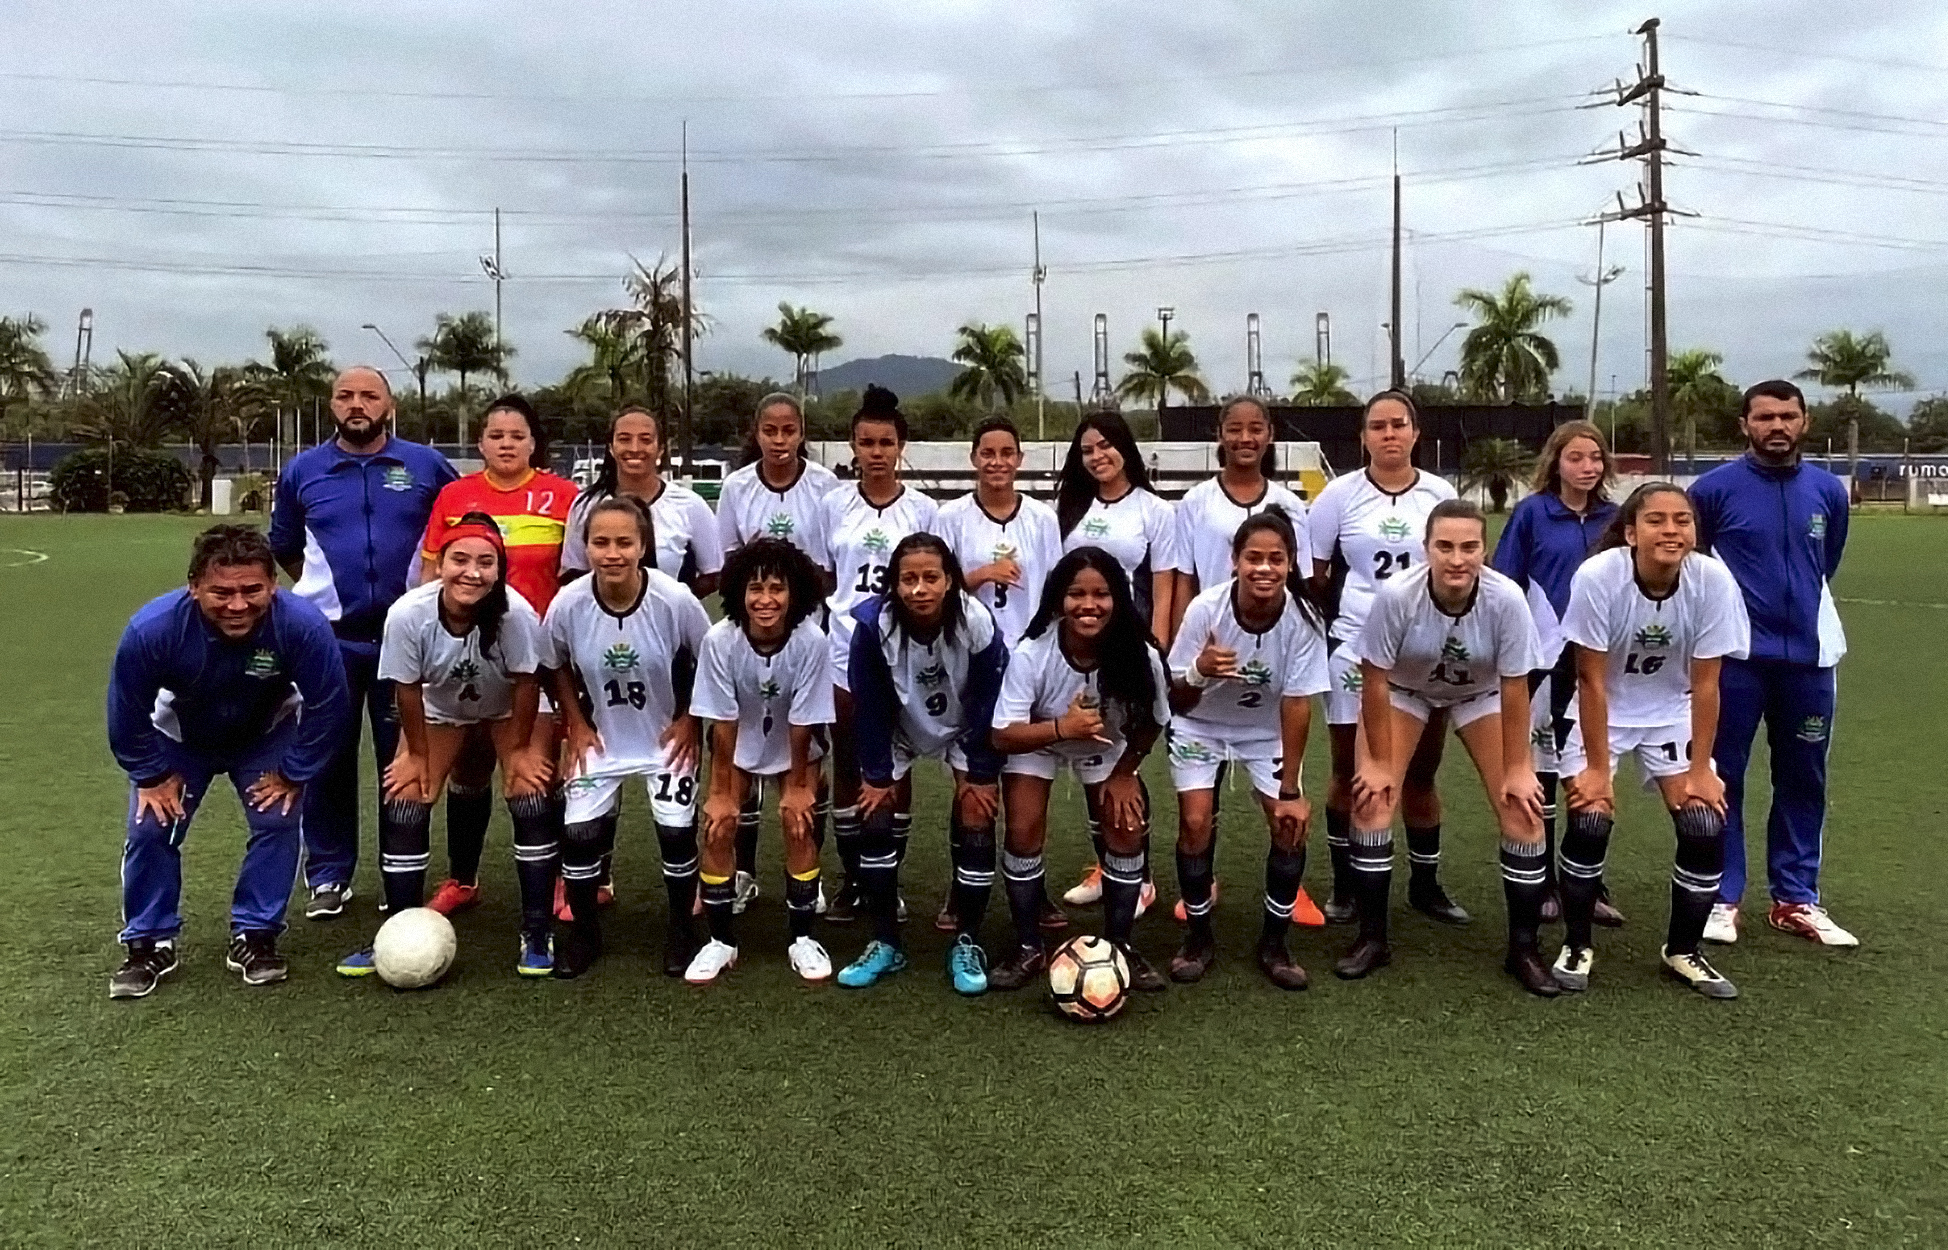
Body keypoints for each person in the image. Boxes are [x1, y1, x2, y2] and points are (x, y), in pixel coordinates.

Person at [106, 526, 350, 998]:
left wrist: (293, 771)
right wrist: (152, 776)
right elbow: (125, 712)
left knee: (277, 818)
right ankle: (149, 941)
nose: (238, 605)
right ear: (194, 586)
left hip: (263, 736)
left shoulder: (302, 625)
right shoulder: (152, 629)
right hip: (180, 738)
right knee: (151, 827)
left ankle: (254, 934)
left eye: (251, 590)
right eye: (221, 592)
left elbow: (329, 705)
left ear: (273, 586)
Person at [1339, 500, 1558, 995]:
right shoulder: (1398, 594)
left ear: (1484, 549)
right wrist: (1375, 762)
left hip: (1479, 694)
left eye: (1469, 547)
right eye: (1445, 546)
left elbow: (1516, 685)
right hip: (1404, 690)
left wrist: (1521, 767)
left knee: (1522, 810)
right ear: (1426, 550)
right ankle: (1372, 939)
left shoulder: (1506, 599)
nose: (1457, 559)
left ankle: (1523, 949)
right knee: (1372, 800)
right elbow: (1373, 679)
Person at [270, 365, 456, 921]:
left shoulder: (425, 464)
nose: (358, 404)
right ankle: (329, 875)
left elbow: (458, 531)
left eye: (369, 395)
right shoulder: (303, 470)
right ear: (332, 406)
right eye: (346, 396)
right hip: (330, 643)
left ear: (389, 404)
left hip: (405, 643)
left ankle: (399, 868)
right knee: (326, 757)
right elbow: (285, 548)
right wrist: (327, 598)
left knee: (401, 757)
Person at [335, 514, 557, 979]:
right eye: (460, 559)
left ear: (500, 570)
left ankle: (537, 930)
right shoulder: (408, 614)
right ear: (440, 563)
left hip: (509, 710)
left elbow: (526, 684)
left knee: (530, 793)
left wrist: (518, 751)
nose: (471, 572)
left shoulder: (515, 613)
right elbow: (408, 690)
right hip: (440, 711)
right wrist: (415, 755)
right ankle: (397, 930)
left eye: (485, 562)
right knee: (406, 799)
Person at [1554, 484, 1751, 998]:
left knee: (1705, 824)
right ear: (1630, 532)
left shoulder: (1711, 580)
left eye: (1682, 521)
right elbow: (1591, 681)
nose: (1671, 531)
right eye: (1657, 520)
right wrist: (1597, 769)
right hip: (1605, 711)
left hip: (1670, 712)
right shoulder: (1599, 577)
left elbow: (1707, 683)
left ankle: (1683, 950)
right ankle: (1577, 944)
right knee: (1591, 818)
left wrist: (1702, 768)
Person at [1691, 380, 1858, 948]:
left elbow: (1826, 560)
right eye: (1765, 417)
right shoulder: (1713, 490)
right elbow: (1698, 569)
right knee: (1721, 777)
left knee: (1803, 776)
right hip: (1734, 661)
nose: (1777, 426)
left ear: (1805, 421)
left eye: (1788, 416)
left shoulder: (1827, 490)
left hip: (1809, 662)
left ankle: (1795, 897)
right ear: (1745, 425)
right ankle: (1721, 895)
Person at [415, 393, 577, 917]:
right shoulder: (455, 495)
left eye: (518, 435)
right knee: (470, 765)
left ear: (534, 442)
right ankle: (463, 878)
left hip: (542, 655)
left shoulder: (564, 496)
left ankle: (558, 879)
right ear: (480, 442)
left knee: (539, 767)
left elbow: (579, 576)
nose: (506, 444)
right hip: (469, 653)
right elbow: (430, 574)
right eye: (496, 435)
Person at [1306, 390, 1461, 930]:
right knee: (1350, 769)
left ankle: (1425, 884)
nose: (1389, 434)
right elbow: (1316, 575)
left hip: (1423, 649)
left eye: (1399, 425)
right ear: (1364, 436)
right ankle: (1346, 884)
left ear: (1416, 433)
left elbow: (1455, 566)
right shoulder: (1337, 496)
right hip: (1355, 645)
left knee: (1420, 770)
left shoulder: (1440, 494)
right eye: (1378, 426)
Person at [1165, 394, 1320, 927]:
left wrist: (1293, 785)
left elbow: (1295, 578)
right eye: (1235, 429)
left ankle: (1284, 906)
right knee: (1197, 816)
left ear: (1270, 435)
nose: (1246, 438)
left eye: (1256, 429)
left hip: (1267, 649)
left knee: (1285, 814)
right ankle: (1199, 895)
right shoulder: (1196, 501)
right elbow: (1184, 575)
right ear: (1221, 435)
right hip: (1210, 644)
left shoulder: (1290, 504)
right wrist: (1189, 657)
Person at [990, 548, 1173, 993]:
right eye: (1076, 594)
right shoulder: (1033, 652)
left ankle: (1120, 944)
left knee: (1125, 826)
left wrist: (1126, 772)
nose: (1088, 605)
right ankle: (1030, 944)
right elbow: (1002, 735)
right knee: (1023, 829)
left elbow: (1154, 720)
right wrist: (1061, 727)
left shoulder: (1139, 652)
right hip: (1040, 738)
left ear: (1119, 600)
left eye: (1101, 594)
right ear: (1057, 600)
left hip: (1105, 746)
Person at [543, 497, 712, 979]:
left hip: (665, 738)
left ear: (643, 546)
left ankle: (683, 929)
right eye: (600, 542)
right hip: (602, 740)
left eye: (624, 542)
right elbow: (551, 662)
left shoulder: (674, 599)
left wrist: (689, 721)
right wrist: (574, 721)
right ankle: (584, 934)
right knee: (577, 835)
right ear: (585, 546)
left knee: (676, 833)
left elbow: (712, 660)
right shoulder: (570, 602)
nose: (612, 553)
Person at [1165, 508, 1329, 989]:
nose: (1264, 568)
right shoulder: (1205, 610)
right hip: (1201, 727)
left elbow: (1298, 705)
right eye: (1253, 557)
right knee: (1195, 823)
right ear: (1234, 561)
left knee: (1289, 823)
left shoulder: (1303, 619)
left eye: (1276, 558)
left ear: (1291, 563)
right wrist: (1200, 670)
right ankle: (1198, 938)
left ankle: (1275, 944)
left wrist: (1292, 786)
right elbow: (1176, 697)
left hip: (1264, 732)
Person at [842, 535, 1009, 992]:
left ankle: (967, 939)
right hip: (900, 726)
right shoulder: (874, 626)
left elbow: (990, 695)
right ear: (892, 585)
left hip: (963, 726)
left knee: (977, 813)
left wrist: (978, 772)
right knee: (874, 816)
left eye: (931, 578)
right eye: (908, 579)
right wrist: (877, 776)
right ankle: (885, 942)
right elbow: (869, 701)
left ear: (951, 581)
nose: (920, 589)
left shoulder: (975, 621)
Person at [933, 414, 1066, 934]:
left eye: (1006, 453)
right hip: (970, 663)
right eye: (987, 453)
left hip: (1028, 663)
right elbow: (934, 589)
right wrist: (982, 574)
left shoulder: (1041, 519)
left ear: (1019, 460)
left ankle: (1035, 890)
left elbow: (1054, 593)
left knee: (1026, 780)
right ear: (973, 459)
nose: (996, 463)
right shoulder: (952, 517)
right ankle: (960, 890)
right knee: (971, 779)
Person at [1491, 419, 1626, 928]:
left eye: (1595, 458)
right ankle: (1544, 879)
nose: (1587, 467)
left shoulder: (1617, 518)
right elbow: (1505, 583)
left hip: (1598, 660)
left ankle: (1587, 882)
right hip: (1543, 659)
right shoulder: (1532, 514)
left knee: (1591, 767)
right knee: (1542, 770)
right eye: (1576, 457)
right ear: (1555, 461)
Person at [814, 385, 941, 925]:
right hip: (845, 650)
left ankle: (888, 877)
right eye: (866, 442)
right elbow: (824, 577)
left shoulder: (924, 509)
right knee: (848, 761)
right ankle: (853, 878)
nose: (876, 452)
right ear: (853, 446)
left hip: (904, 653)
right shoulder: (833, 504)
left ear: (901, 447)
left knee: (895, 760)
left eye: (886, 442)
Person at [690, 538, 836, 984]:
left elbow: (803, 719)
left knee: (797, 822)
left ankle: (802, 938)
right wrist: (718, 793)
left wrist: (796, 786)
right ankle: (720, 942)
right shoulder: (720, 639)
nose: (766, 599)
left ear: (795, 594)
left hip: (796, 742)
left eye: (777, 588)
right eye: (755, 589)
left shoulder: (811, 640)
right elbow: (723, 718)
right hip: (738, 744)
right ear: (738, 592)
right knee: (718, 829)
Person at [714, 391, 840, 906]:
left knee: (809, 758)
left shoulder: (826, 486)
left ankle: (810, 874)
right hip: (752, 635)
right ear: (757, 432)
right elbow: (728, 565)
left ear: (802, 433)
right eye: (771, 431)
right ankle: (742, 874)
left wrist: (800, 598)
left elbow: (833, 567)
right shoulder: (737, 487)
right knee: (745, 750)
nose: (780, 441)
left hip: (808, 637)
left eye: (789, 431)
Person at [1053, 410, 1180, 914]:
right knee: (1091, 752)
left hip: (1129, 648)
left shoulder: (1154, 511)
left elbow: (1167, 585)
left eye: (1105, 445)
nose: (1097, 456)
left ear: (1125, 447)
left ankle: (1138, 874)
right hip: (1078, 650)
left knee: (1123, 756)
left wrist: (1159, 649)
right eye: (1087, 450)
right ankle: (1110, 867)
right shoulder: (1068, 509)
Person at [562, 404, 725, 598]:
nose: (634, 448)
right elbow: (573, 573)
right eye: (624, 439)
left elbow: (713, 573)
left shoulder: (690, 505)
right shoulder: (586, 505)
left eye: (645, 440)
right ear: (611, 448)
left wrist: (674, 603)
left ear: (661, 449)